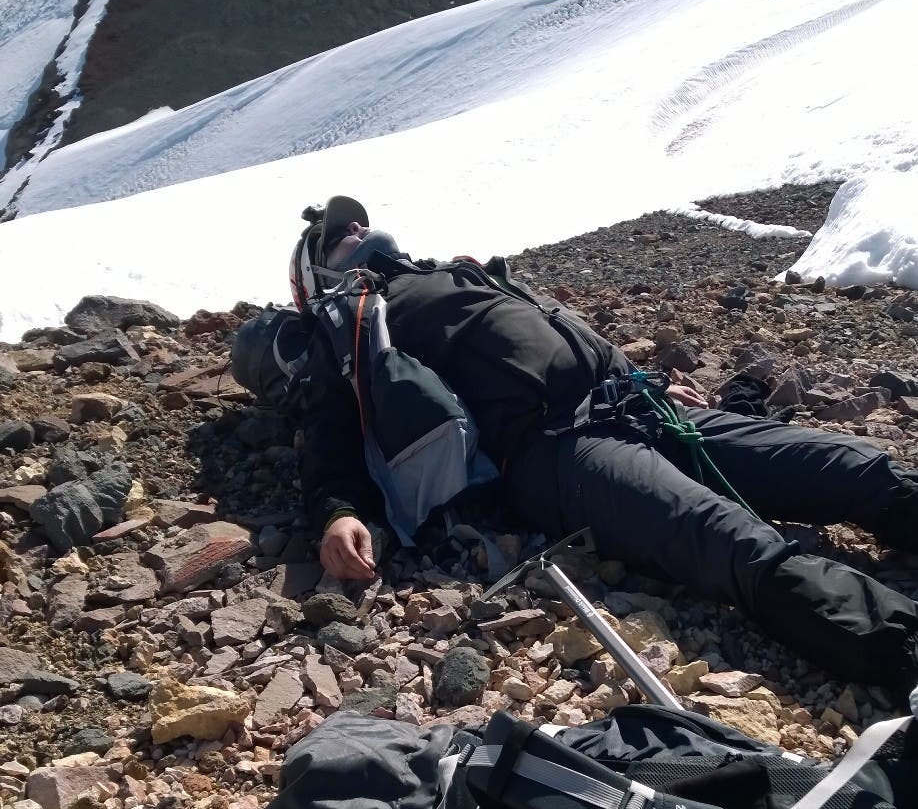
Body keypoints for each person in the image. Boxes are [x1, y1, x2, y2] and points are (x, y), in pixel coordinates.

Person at [236, 195, 918, 694]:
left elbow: (562, 330)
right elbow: (327, 428)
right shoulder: (348, 323)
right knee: (728, 540)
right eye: (335, 236)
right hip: (557, 451)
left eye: (354, 221)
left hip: (636, 407)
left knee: (842, 465)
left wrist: (643, 379)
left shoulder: (458, 271)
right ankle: (900, 648)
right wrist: (335, 510)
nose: (353, 227)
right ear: (315, 278)